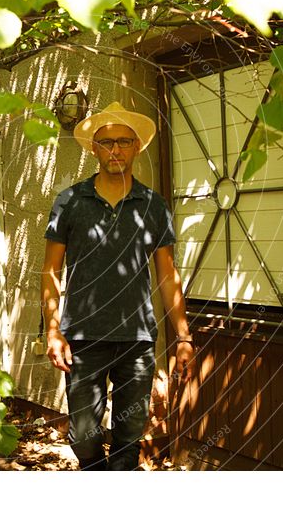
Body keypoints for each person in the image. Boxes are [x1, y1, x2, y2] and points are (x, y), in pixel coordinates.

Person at [41, 101, 194, 471]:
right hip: (82, 336)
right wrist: (52, 330)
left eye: (124, 142)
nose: (115, 150)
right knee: (83, 433)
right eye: (106, 142)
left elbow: (167, 273)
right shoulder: (71, 201)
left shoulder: (153, 205)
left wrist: (184, 336)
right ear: (93, 148)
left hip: (137, 339)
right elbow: (50, 271)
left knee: (128, 437)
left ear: (137, 147)